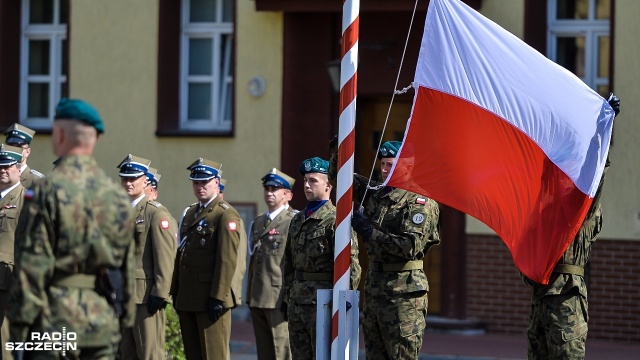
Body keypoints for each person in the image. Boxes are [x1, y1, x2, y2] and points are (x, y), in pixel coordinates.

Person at [8, 97, 136, 358]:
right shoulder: (116, 195)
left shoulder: (46, 190)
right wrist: (122, 321)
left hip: (54, 320)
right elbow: (125, 267)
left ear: (60, 134)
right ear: (95, 139)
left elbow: (32, 263)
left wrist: (20, 331)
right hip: (101, 321)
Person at [524, 94, 621, 360]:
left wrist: (605, 129)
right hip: (540, 299)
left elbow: (596, 171)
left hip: (567, 298)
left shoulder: (582, 210)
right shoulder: (545, 214)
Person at [329, 140, 440, 360]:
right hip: (375, 287)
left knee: (400, 355)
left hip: (403, 292)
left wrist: (369, 231)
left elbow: (410, 247)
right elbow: (340, 179)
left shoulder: (419, 202)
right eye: (383, 164)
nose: (385, 169)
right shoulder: (376, 194)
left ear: (407, 166)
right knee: (374, 354)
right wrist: (337, 151)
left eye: (391, 164)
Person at [283, 157, 361, 360]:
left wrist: (343, 303)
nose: (307, 185)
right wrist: (288, 296)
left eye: (313, 180)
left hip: (323, 303)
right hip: (298, 301)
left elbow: (351, 266)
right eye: (305, 180)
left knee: (324, 355)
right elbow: (289, 262)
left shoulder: (336, 220)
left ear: (329, 184)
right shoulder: (298, 219)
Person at [170, 158, 245, 360]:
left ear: (216, 182)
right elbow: (182, 253)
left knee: (213, 355)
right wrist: (175, 291)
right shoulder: (191, 212)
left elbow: (227, 260)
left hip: (210, 298)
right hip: (188, 296)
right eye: (196, 182)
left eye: (205, 182)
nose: (200, 186)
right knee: (193, 355)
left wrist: (218, 297)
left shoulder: (225, 215)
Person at [117, 155, 177, 360]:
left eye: (133, 178)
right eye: (125, 178)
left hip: (145, 296)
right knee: (127, 353)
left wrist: (160, 292)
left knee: (150, 353)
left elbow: (165, 256)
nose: (128, 183)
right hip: (123, 294)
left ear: (145, 182)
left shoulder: (155, 213)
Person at [246, 168, 296, 360]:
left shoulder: (292, 221)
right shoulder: (259, 222)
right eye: (267, 188)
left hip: (278, 298)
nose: (269, 193)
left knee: (281, 350)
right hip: (258, 295)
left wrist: (287, 298)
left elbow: (292, 263)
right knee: (264, 351)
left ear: (288, 195)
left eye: (275, 188)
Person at [0, 144, 26, 359]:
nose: (3, 170)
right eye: (0, 166)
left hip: (9, 279)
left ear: (19, 169)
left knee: (5, 342)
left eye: (8, 166)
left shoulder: (26, 201)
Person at [3, 123, 44, 189]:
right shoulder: (2, 177)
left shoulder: (37, 181)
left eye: (19, 147)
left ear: (28, 152)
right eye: (11, 146)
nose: (14, 150)